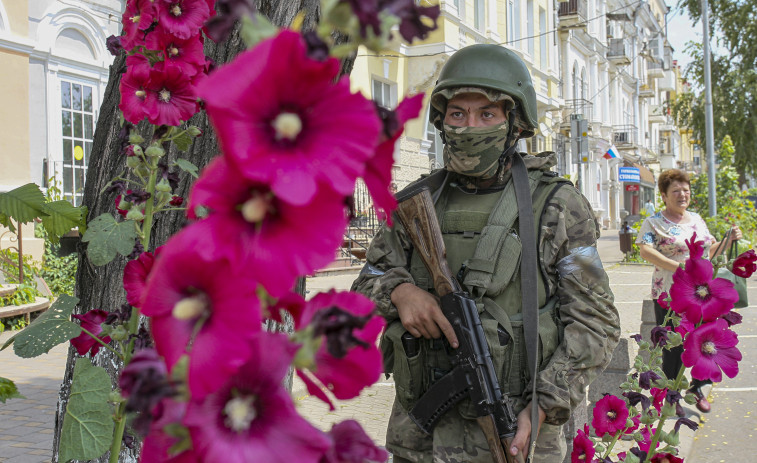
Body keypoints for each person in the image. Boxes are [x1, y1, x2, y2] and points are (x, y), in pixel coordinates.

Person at [351, 44, 620, 463]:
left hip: (518, 433)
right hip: (419, 439)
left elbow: (596, 323)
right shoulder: (414, 205)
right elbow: (365, 284)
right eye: (457, 113)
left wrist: (544, 404)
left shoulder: (557, 206)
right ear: (442, 121)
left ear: (515, 123)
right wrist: (400, 293)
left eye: (487, 114)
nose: (469, 126)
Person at [637, 169, 742, 413]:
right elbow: (645, 251)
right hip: (671, 294)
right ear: (663, 195)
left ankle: (697, 387)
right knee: (672, 344)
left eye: (686, 190)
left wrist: (728, 239)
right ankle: (671, 394)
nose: (682, 194)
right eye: (676, 191)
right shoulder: (654, 222)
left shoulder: (696, 219)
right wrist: (679, 267)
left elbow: (708, 253)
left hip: (703, 295)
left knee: (705, 338)